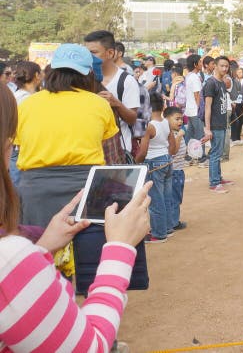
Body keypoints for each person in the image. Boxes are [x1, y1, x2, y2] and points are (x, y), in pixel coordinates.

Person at [1, 83, 153, 351]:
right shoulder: (9, 259)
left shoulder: (31, 104)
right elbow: (88, 347)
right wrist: (119, 249)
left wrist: (40, 248)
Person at [15, 44, 118, 227]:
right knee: (85, 250)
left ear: (51, 71)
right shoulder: (99, 104)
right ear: (88, 74)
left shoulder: (26, 106)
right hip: (85, 192)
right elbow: (112, 159)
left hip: (36, 194)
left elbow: (19, 150)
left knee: (42, 250)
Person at [85, 30, 141, 155]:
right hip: (89, 151)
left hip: (117, 152)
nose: (88, 57)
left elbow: (132, 119)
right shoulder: (82, 78)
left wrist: (116, 103)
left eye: (93, 52)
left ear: (110, 53)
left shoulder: (126, 81)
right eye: (86, 52)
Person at [135, 93, 177, 243]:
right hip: (166, 160)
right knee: (166, 196)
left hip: (153, 162)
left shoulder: (149, 126)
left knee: (155, 200)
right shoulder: (165, 122)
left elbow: (143, 151)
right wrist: (169, 156)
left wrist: (135, 163)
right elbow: (172, 145)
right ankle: (168, 227)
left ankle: (159, 233)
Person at [203, 56, 233, 193]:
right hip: (214, 125)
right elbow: (207, 107)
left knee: (219, 152)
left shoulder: (222, 82)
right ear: (215, 66)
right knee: (215, 153)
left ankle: (218, 178)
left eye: (226, 66)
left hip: (222, 123)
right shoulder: (211, 83)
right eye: (222, 66)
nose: (224, 68)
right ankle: (214, 183)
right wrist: (207, 128)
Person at [164, 106, 187, 232]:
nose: (180, 122)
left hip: (179, 169)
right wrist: (179, 137)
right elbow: (173, 151)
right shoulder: (171, 134)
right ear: (166, 119)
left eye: (181, 119)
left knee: (176, 196)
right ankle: (173, 222)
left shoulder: (176, 132)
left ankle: (173, 220)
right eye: (177, 119)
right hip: (174, 171)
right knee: (174, 197)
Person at [184, 55, 205, 163]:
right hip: (195, 110)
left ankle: (184, 153)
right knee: (200, 133)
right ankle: (201, 156)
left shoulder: (189, 76)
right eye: (200, 62)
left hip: (190, 109)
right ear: (195, 64)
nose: (202, 64)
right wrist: (199, 110)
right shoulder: (195, 77)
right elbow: (197, 95)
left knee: (190, 133)